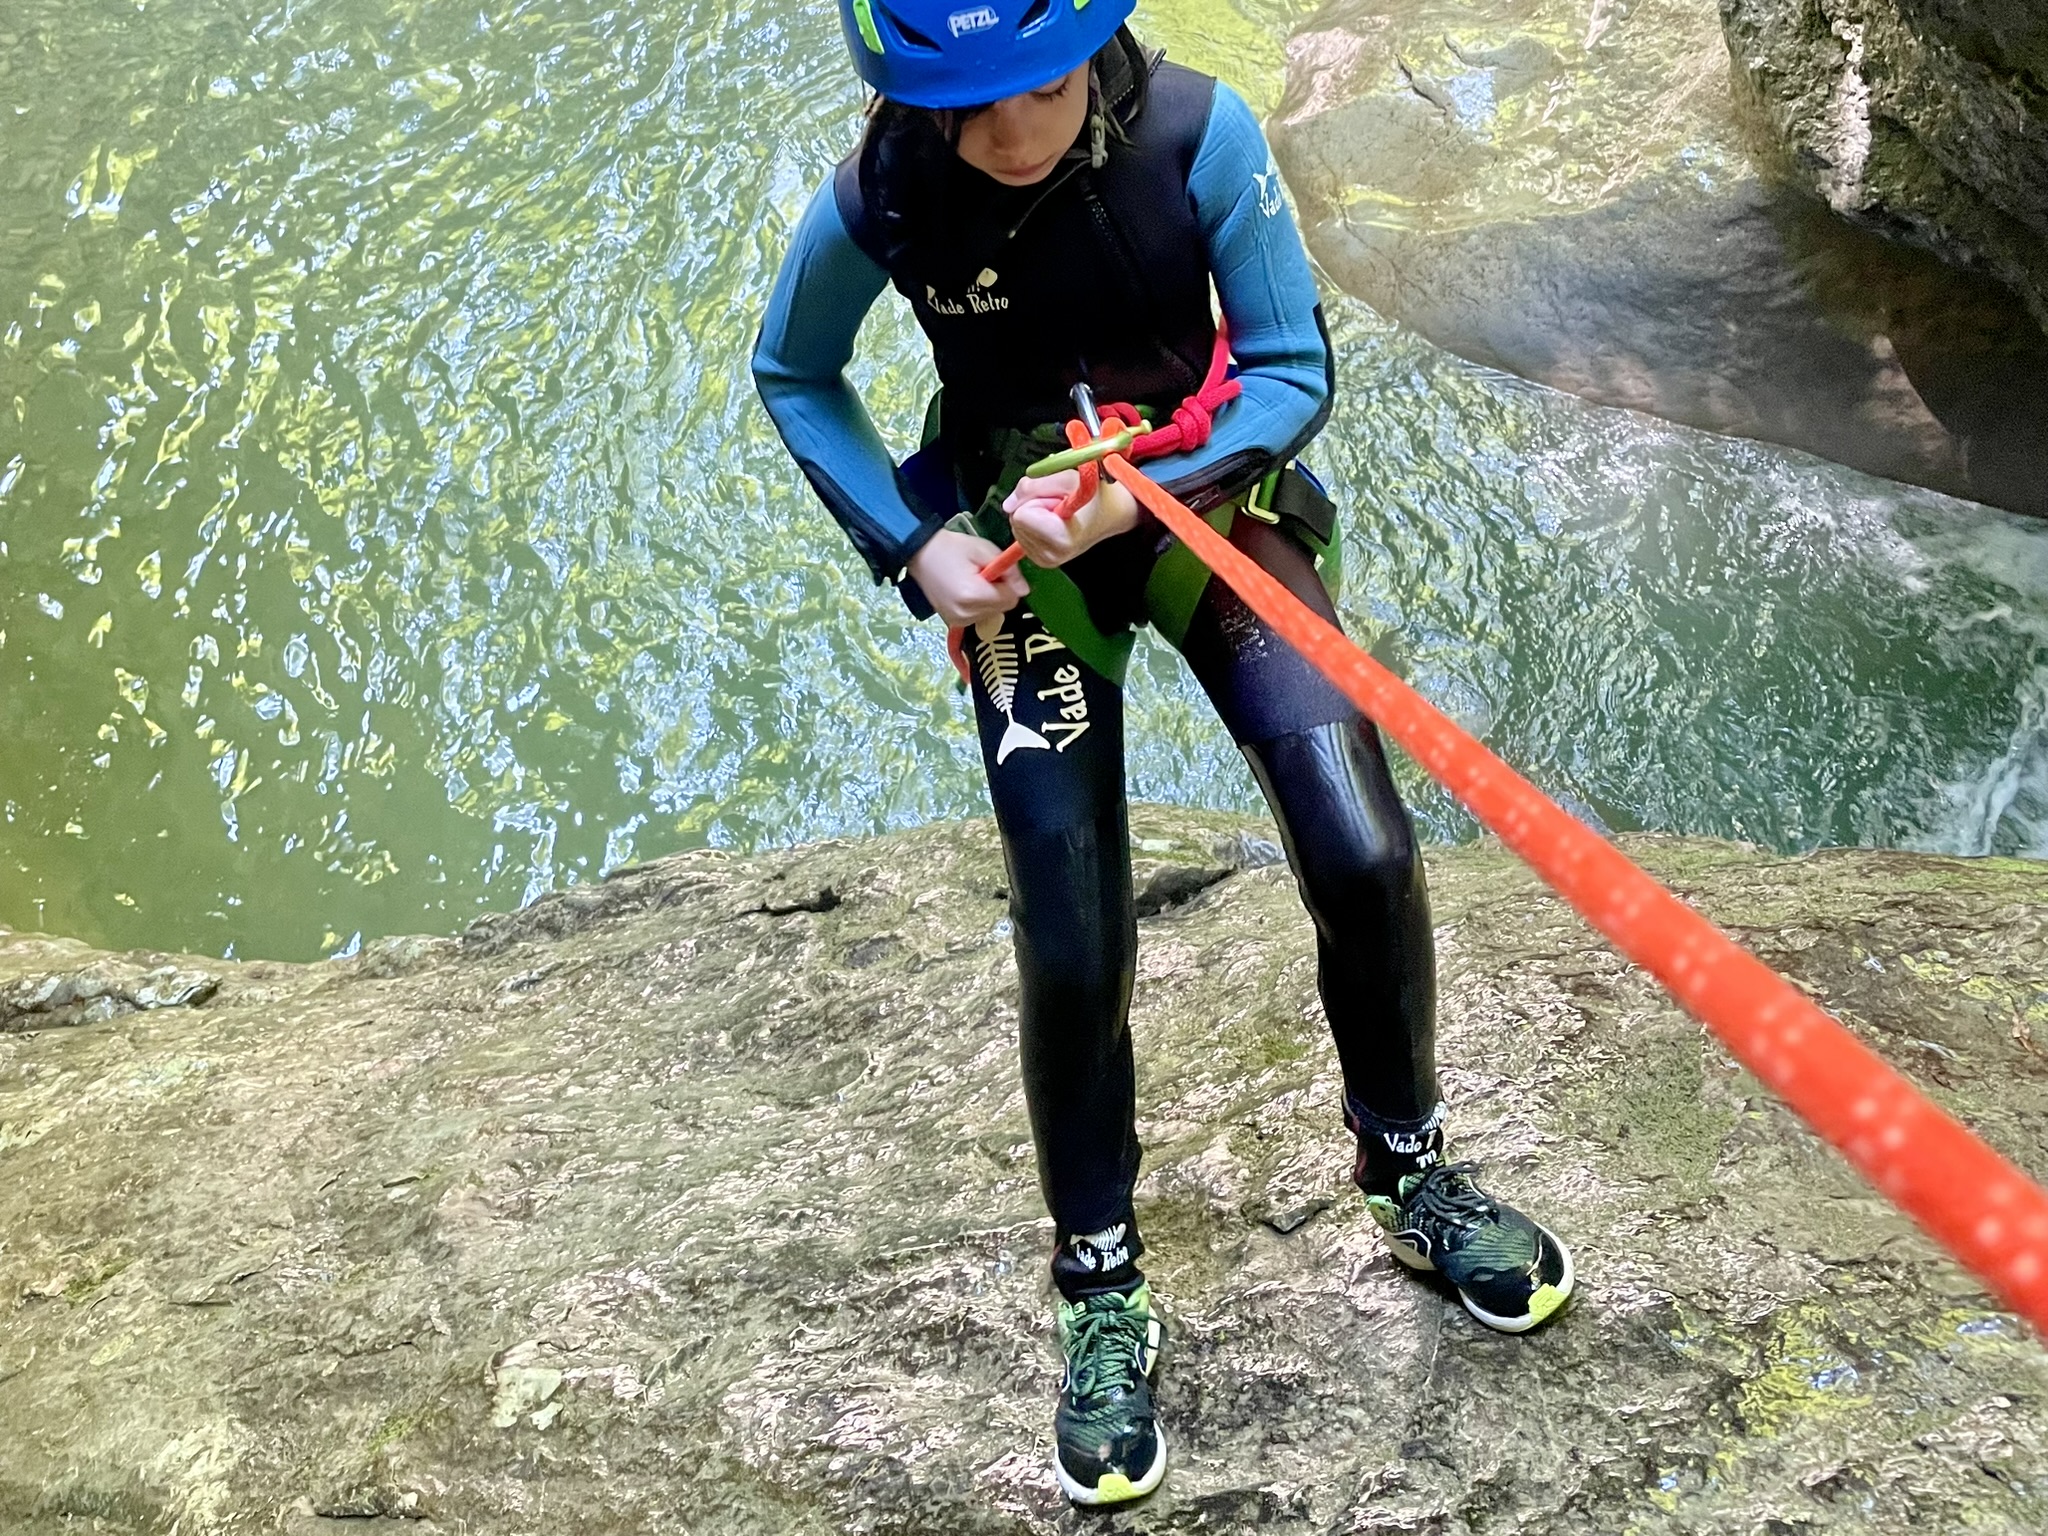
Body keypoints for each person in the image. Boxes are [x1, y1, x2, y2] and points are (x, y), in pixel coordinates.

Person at [752, 0, 1573, 1506]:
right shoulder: (884, 189)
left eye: (1039, 87)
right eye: (967, 105)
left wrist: (1144, 497)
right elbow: (795, 372)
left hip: (1205, 506)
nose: (1008, 135)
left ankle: (1408, 1170)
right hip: (1023, 560)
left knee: (1362, 845)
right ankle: (1101, 1284)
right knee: (1072, 939)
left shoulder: (1199, 132)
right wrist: (917, 544)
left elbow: (1290, 369)